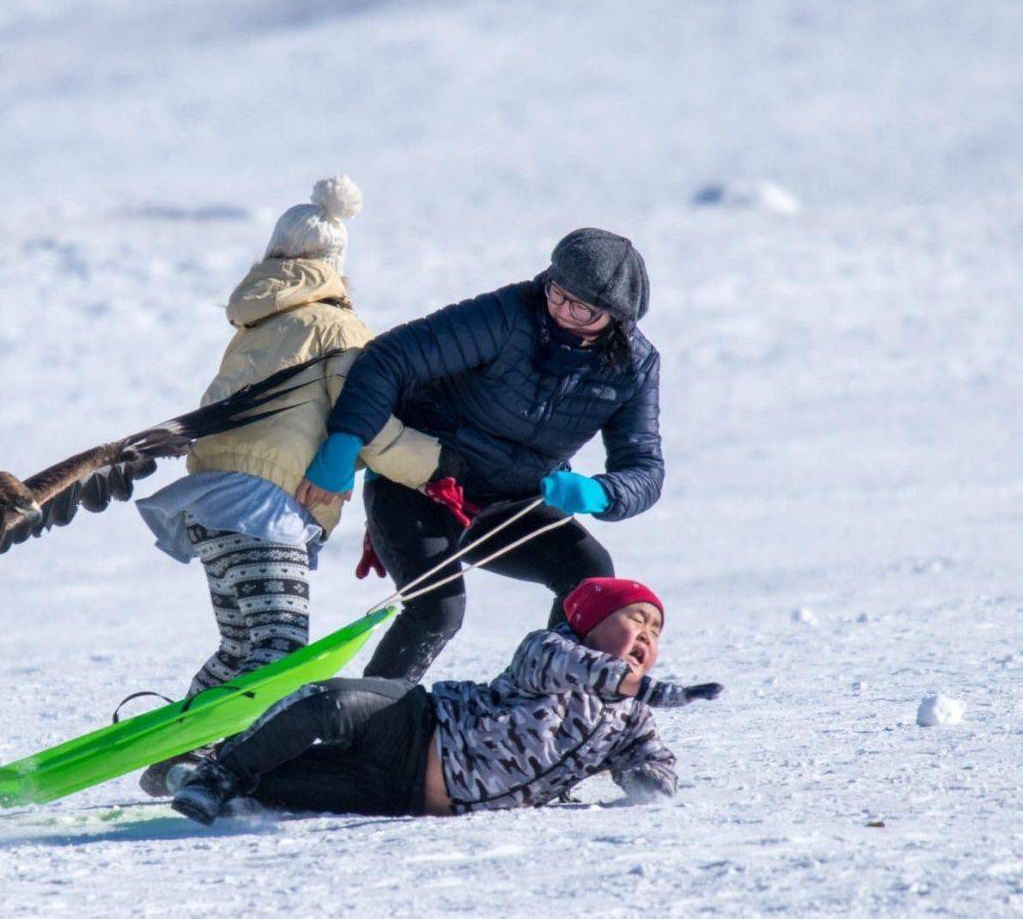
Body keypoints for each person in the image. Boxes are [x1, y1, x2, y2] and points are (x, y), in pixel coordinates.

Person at [134, 176, 442, 791]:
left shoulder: (254, 323)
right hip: (264, 507)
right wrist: (440, 467)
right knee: (278, 651)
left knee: (243, 644)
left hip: (213, 502)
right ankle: (221, 768)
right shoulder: (335, 330)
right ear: (336, 265)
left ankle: (178, 753)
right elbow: (368, 425)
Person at [295, 228, 664, 682]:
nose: (563, 311)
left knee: (591, 578)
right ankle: (366, 731)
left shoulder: (636, 367)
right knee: (437, 611)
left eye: (582, 308)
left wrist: (600, 493)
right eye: (558, 292)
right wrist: (345, 442)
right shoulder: (508, 315)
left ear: (615, 317)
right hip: (423, 485)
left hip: (512, 502)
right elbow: (391, 358)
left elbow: (644, 469)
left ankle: (548, 709)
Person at [170, 577, 720, 823]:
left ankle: (187, 774)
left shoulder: (632, 720)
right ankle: (216, 774)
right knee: (326, 703)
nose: (647, 636)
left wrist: (650, 783)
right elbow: (577, 668)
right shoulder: (549, 651)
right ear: (591, 624)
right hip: (416, 724)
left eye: (656, 631)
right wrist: (651, 687)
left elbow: (652, 761)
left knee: (278, 788)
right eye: (635, 619)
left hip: (407, 796)